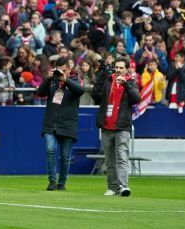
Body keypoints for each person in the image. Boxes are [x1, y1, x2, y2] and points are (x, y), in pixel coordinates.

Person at [92, 57, 140, 196]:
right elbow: (96, 94)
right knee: (110, 160)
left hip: (122, 126)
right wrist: (100, 76)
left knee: (122, 157)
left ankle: (123, 186)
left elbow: (136, 99)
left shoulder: (131, 82)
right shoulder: (108, 80)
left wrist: (126, 84)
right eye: (116, 67)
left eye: (121, 68)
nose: (118, 70)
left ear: (126, 69)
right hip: (107, 125)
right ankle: (112, 187)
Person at [37, 59, 84, 191]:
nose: (61, 73)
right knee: (50, 150)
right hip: (51, 122)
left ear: (69, 70)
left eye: (64, 70)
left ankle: (62, 183)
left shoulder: (74, 81)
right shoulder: (51, 82)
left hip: (68, 124)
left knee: (65, 156)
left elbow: (80, 91)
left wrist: (65, 79)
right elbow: (40, 93)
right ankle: (52, 181)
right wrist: (47, 79)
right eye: (59, 70)